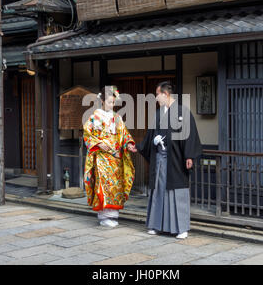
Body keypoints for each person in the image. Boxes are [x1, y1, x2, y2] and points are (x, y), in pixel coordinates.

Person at [137, 81, 202, 239]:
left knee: (177, 192)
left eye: (157, 95)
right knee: (158, 191)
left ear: (165, 94)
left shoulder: (182, 112)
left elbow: (190, 135)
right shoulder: (159, 113)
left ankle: (181, 228)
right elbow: (151, 134)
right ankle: (156, 225)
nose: (156, 98)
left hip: (176, 159)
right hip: (160, 159)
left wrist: (189, 156)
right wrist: (145, 144)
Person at [83, 85, 138, 228]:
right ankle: (104, 216)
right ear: (102, 101)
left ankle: (112, 214)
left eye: (113, 102)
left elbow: (124, 134)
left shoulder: (117, 117)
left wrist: (128, 144)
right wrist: (99, 144)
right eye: (109, 102)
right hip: (102, 157)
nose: (111, 105)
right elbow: (87, 134)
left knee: (116, 186)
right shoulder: (94, 117)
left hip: (116, 158)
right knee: (104, 185)